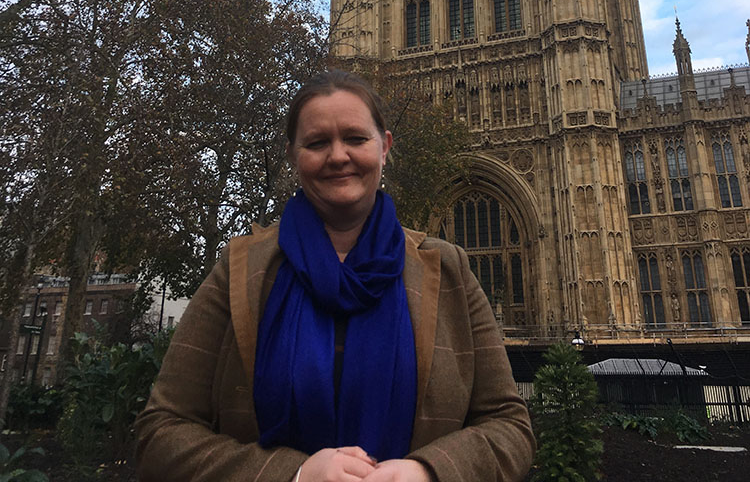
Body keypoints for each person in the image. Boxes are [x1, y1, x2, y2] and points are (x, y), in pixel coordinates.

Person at [136, 70, 535, 482]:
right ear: (293, 155)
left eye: (356, 138)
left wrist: (429, 473)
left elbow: (509, 426)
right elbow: (161, 432)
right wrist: (295, 475)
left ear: (385, 148)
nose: (338, 156)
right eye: (317, 142)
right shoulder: (241, 270)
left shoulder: (449, 270)